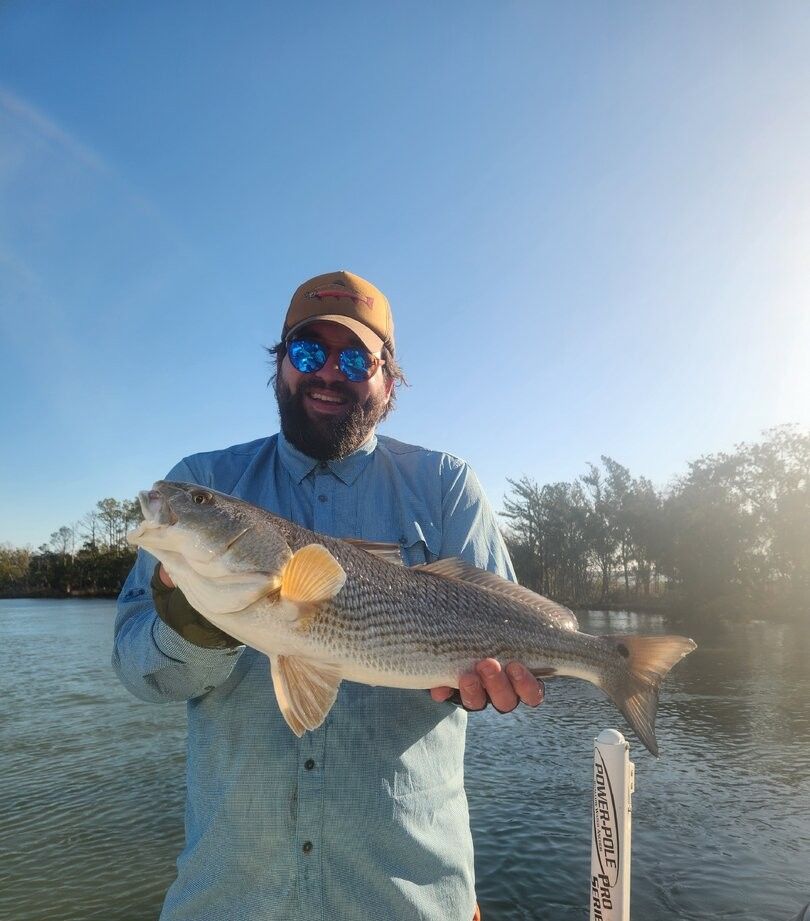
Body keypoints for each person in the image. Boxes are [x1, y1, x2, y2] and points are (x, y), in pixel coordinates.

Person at [113, 270, 544, 921]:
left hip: (409, 899)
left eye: (356, 358)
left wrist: (493, 681)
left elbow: (513, 639)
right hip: (230, 899)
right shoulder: (203, 481)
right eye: (308, 351)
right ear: (281, 365)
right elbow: (137, 669)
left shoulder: (446, 485)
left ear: (389, 380)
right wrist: (198, 626)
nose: (328, 373)